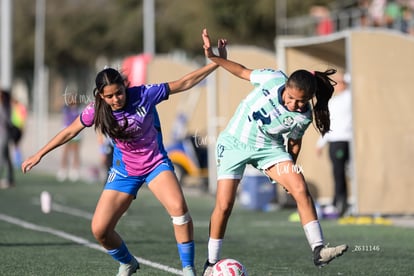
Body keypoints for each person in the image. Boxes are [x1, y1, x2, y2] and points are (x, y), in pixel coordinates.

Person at [21, 36, 227, 276]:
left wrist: (216, 62)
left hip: (155, 165)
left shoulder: (144, 95)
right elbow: (69, 131)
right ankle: (128, 262)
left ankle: (188, 268)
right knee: (100, 230)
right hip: (124, 171)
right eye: (109, 96)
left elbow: (184, 82)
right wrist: (39, 154)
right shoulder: (95, 110)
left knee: (179, 210)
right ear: (100, 96)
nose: (116, 99)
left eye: (119, 93)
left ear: (124, 88)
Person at [201, 29, 348, 275]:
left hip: (268, 150)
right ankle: (210, 263)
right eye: (291, 98)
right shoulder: (272, 78)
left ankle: (319, 249)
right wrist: (214, 57)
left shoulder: (303, 116)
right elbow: (242, 70)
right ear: (286, 86)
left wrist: (289, 169)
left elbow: (294, 143)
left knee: (300, 188)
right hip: (234, 143)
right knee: (225, 205)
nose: (295, 105)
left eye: (302, 102)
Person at [316, 72, 352, 217]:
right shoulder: (335, 101)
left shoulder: (349, 98)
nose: (337, 85)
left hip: (342, 141)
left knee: (340, 173)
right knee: (338, 173)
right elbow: (329, 124)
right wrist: (321, 142)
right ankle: (338, 202)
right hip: (335, 141)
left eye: (340, 82)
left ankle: (340, 204)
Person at [56, 100, 83, 182]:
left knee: (75, 152)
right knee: (65, 152)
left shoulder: (79, 109)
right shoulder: (66, 108)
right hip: (67, 133)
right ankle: (63, 169)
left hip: (76, 134)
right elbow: (59, 107)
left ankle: (75, 170)